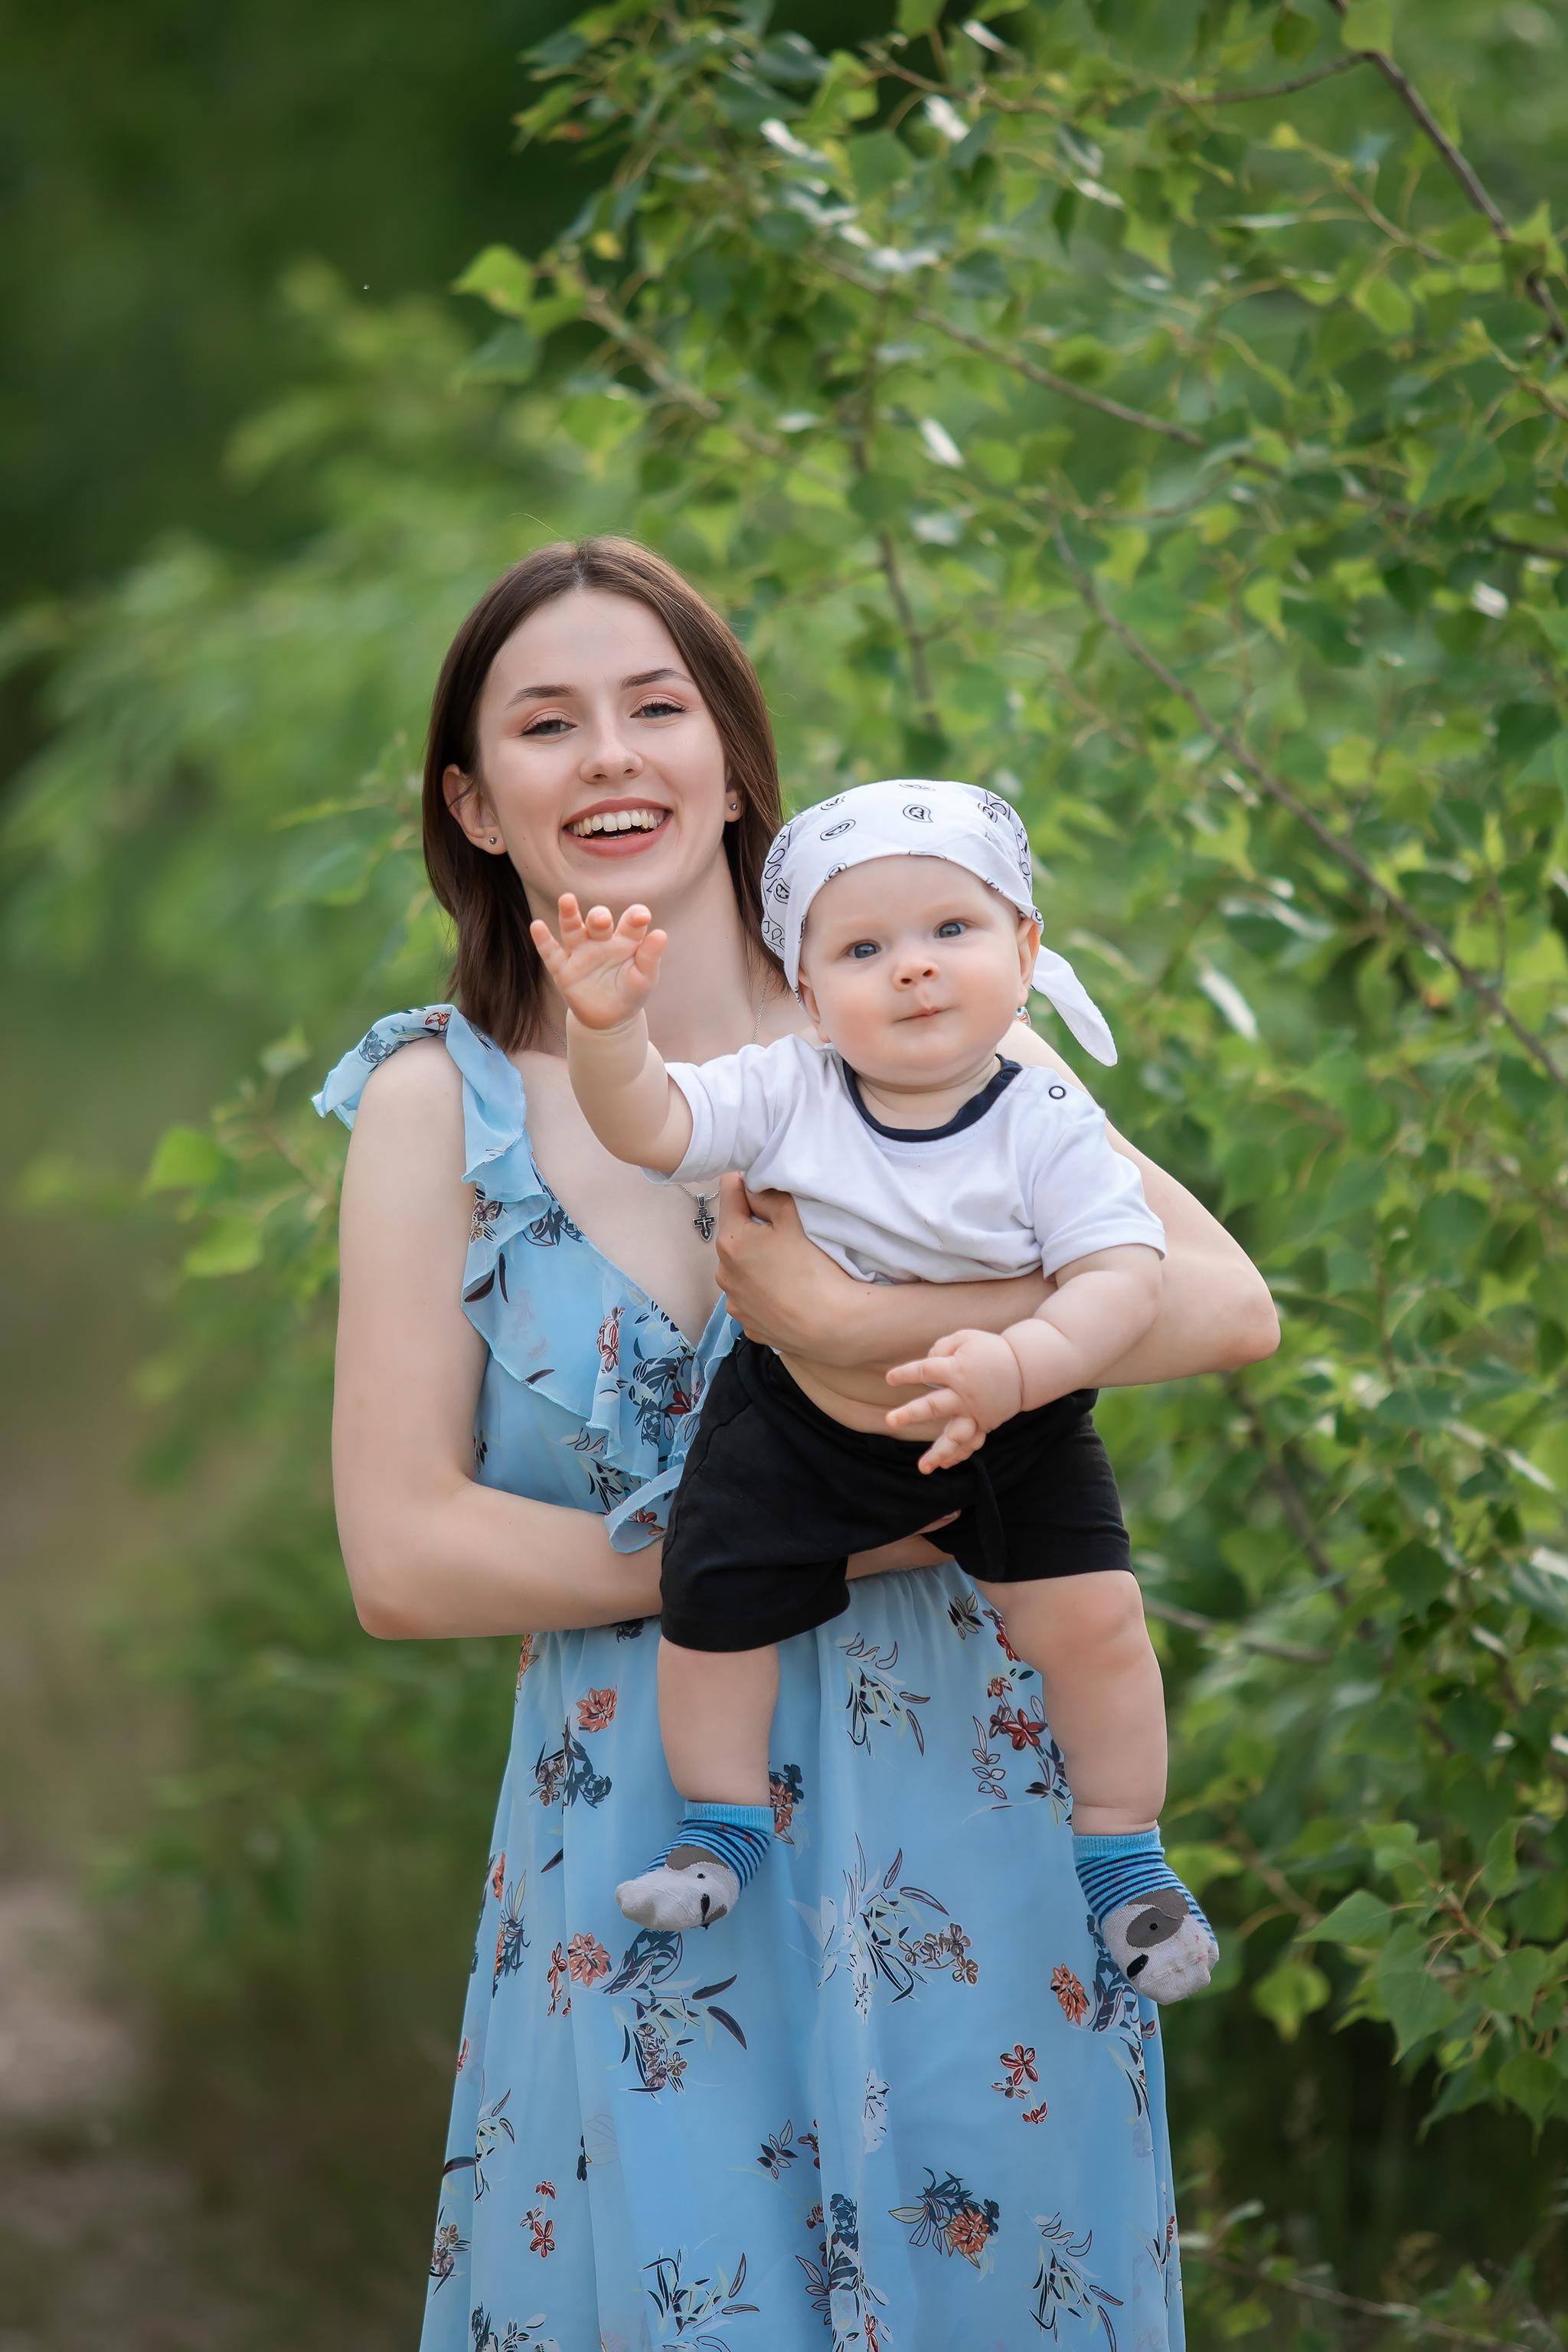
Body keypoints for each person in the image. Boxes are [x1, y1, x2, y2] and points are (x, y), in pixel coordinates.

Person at [316, 537, 1279, 2351]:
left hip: (976, 1816)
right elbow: (404, 1557)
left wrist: (840, 1332)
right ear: (474, 798)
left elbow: (1217, 1300)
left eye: (656, 708)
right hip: (652, 1822)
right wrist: (806, 1543)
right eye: (545, 724)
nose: (610, 756)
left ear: (735, 759)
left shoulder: (900, 1015)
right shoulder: (435, 1104)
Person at [532, 778, 1217, 2008]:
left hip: (1014, 1427)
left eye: (950, 931)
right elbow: (656, 1124)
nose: (911, 969)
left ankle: (1127, 1855)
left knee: (1099, 1623)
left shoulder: (1049, 1118)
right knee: (713, 1593)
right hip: (806, 1426)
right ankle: (722, 1825)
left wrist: (1020, 1366)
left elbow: (1125, 1276)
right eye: (862, 948)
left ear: (1026, 949)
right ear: (807, 992)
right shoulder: (791, 1085)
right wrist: (607, 1032)